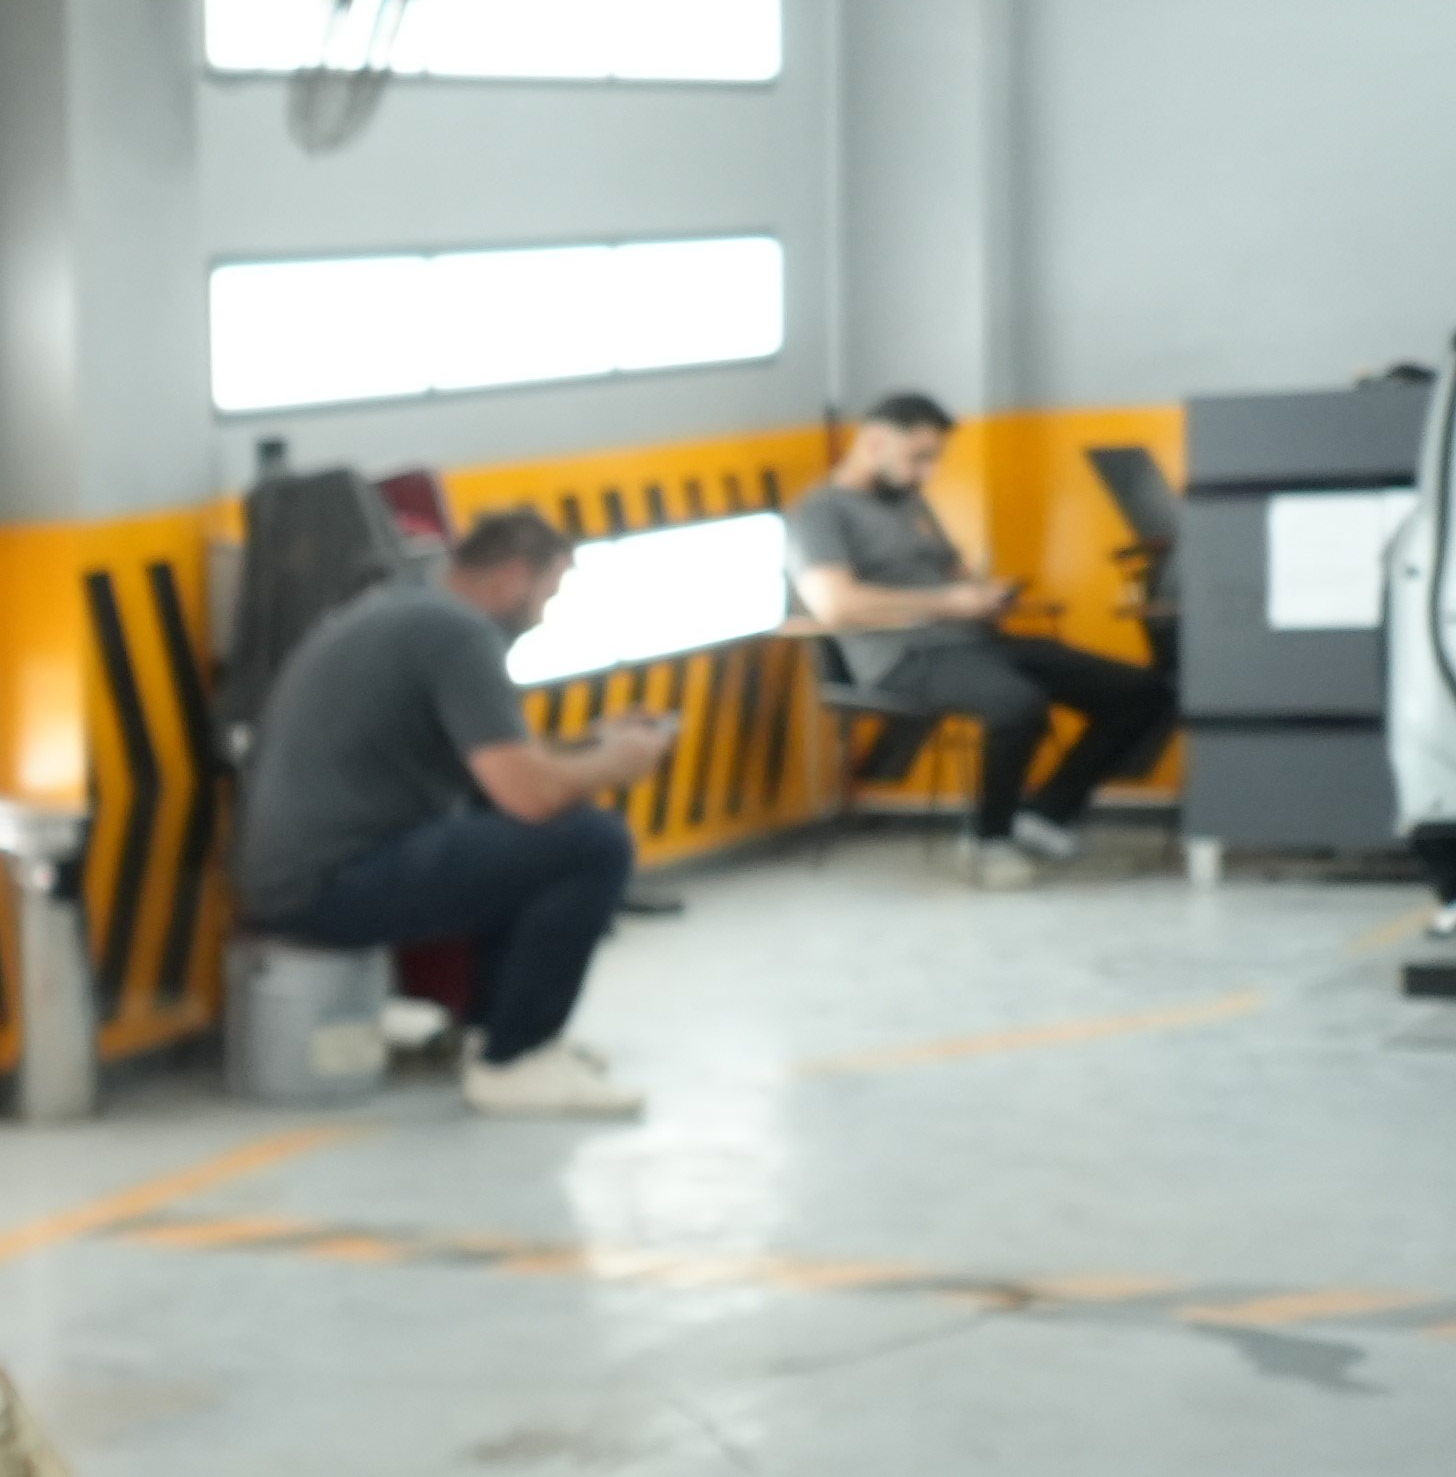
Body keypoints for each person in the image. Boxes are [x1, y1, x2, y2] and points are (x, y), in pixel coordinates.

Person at [236, 508, 675, 1120]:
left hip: (299, 875)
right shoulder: (458, 635)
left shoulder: (409, 611)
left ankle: (493, 1033)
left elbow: (500, 768)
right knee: (592, 845)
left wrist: (588, 745)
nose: (544, 615)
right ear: (513, 578)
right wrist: (616, 763)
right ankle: (516, 1060)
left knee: (522, 841)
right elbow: (528, 794)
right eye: (547, 594)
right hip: (328, 884)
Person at [784, 391, 1167, 869]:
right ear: (875, 442)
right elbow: (835, 604)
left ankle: (1047, 814)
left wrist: (981, 593)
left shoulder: (909, 501)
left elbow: (951, 571)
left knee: (1142, 692)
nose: (927, 473)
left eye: (934, 459)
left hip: (971, 639)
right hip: (900, 657)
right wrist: (947, 603)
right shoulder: (819, 512)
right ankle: (990, 839)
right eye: (919, 458)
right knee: (1017, 702)